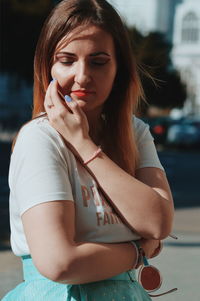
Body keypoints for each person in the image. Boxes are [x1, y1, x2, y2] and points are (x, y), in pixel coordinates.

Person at [3, 0, 175, 300]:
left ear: (118, 68)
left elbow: (158, 222)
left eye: (98, 61)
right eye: (67, 60)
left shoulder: (135, 132)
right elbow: (59, 262)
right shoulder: (39, 139)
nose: (82, 76)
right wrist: (138, 251)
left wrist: (84, 144)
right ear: (48, 66)